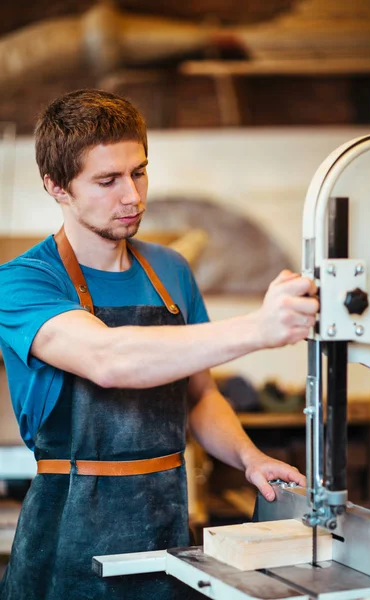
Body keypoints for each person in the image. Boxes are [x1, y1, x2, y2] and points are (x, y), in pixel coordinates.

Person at [0, 89, 318, 600]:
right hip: (67, 539)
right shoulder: (24, 283)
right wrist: (259, 328)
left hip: (165, 523)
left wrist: (248, 456)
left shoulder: (170, 271)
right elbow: (109, 359)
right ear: (56, 186)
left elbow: (199, 396)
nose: (133, 196)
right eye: (107, 180)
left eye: (139, 172)